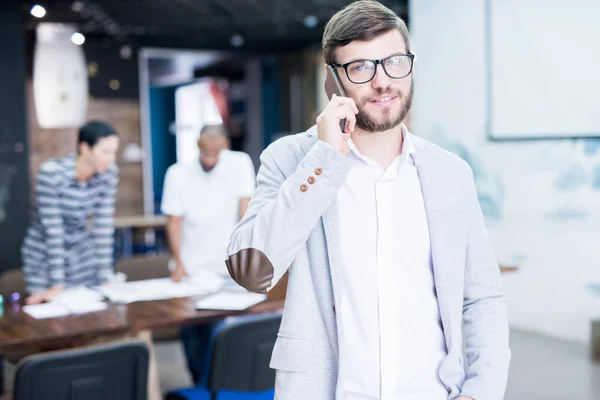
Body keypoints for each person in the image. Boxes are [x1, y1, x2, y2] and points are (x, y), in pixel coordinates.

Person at [225, 1, 510, 400]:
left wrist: (481, 391)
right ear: (332, 82)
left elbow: (482, 296)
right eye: (361, 67)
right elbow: (250, 273)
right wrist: (323, 161)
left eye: (395, 61)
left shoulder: (450, 173)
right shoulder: (290, 161)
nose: (383, 81)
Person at [161, 124, 256, 384]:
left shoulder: (239, 164)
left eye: (215, 153)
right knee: (192, 332)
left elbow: (245, 212)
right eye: (205, 153)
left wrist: (246, 257)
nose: (209, 159)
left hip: (228, 266)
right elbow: (174, 222)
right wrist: (179, 263)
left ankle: (219, 384)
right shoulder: (177, 174)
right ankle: (198, 384)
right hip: (191, 268)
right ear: (197, 145)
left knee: (222, 331)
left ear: (225, 145)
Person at [22, 121, 119, 304]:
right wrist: (57, 283)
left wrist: (105, 274)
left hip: (81, 253)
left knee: (85, 309)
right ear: (84, 148)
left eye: (114, 152)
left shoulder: (109, 174)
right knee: (49, 310)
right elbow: (53, 231)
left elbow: (103, 227)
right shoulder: (51, 174)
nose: (111, 159)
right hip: (45, 256)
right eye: (105, 152)